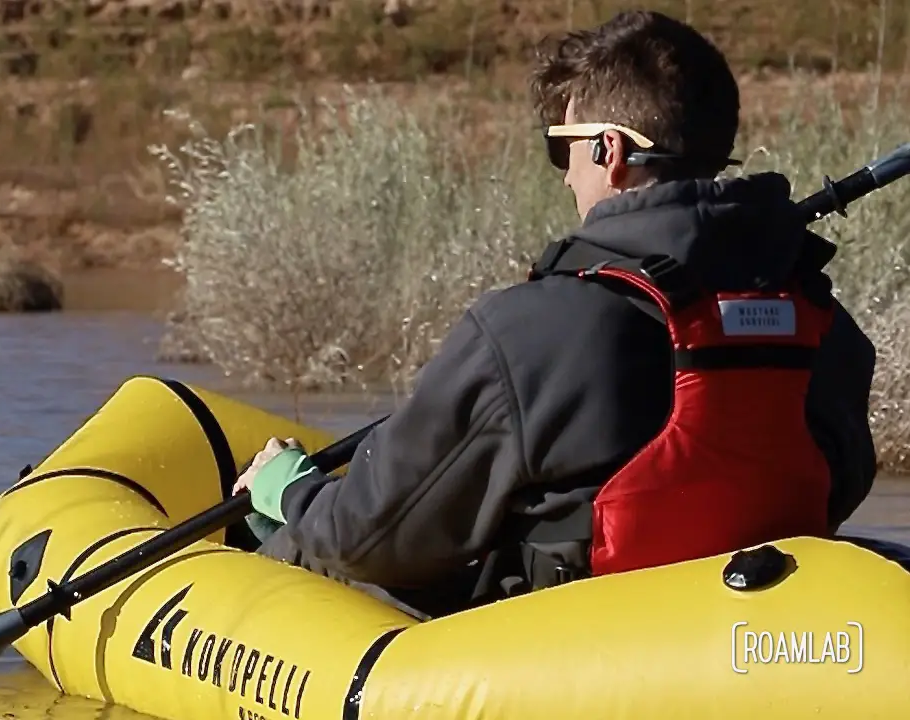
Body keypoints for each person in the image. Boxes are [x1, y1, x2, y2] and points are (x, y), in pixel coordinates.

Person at [230, 10, 878, 620]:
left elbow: (367, 538)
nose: (566, 176)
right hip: (750, 639)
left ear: (608, 150)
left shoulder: (528, 331)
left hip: (566, 649)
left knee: (293, 548)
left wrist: (290, 492)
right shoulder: (825, 324)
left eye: (559, 147)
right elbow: (839, 489)